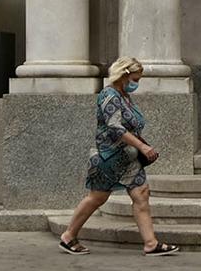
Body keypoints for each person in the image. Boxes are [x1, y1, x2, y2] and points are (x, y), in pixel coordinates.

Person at [56, 56, 181, 256]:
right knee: (97, 197)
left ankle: (151, 243)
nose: (136, 84)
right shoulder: (109, 95)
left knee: (141, 194)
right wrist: (142, 146)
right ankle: (68, 236)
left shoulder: (124, 96)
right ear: (124, 75)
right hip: (109, 157)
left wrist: (141, 147)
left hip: (128, 159)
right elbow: (115, 127)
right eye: (136, 79)